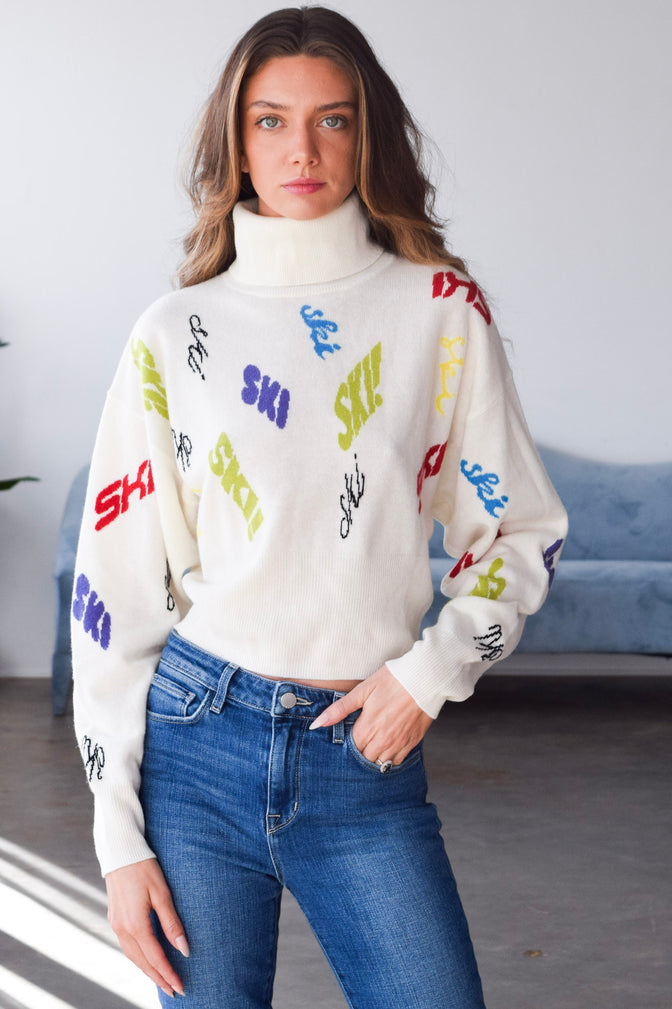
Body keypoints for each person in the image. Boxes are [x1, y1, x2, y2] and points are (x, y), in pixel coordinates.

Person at [71, 7, 568, 1008]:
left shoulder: (439, 310)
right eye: (271, 120)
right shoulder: (175, 332)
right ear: (236, 141)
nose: (301, 149)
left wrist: (431, 672)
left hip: (363, 756)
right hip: (196, 744)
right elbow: (112, 594)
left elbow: (519, 530)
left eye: (332, 120)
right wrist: (118, 838)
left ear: (367, 134)